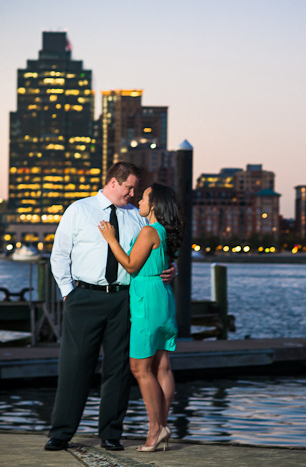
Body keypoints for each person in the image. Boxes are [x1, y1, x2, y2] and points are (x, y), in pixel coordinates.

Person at [45, 162, 176, 452]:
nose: (133, 193)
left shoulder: (138, 217)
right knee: (75, 366)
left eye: (136, 189)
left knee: (118, 368)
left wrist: (172, 268)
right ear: (113, 183)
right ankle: (61, 433)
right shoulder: (79, 210)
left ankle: (111, 433)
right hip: (84, 297)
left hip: (124, 299)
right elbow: (59, 254)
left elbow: (155, 251)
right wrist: (69, 293)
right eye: (129, 187)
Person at [98, 182, 182, 452]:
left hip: (147, 299)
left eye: (144, 197)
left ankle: (156, 429)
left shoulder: (148, 230)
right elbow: (165, 263)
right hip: (163, 296)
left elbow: (132, 266)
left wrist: (111, 239)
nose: (140, 201)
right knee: (162, 366)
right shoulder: (164, 231)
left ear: (154, 204)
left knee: (139, 368)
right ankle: (161, 427)